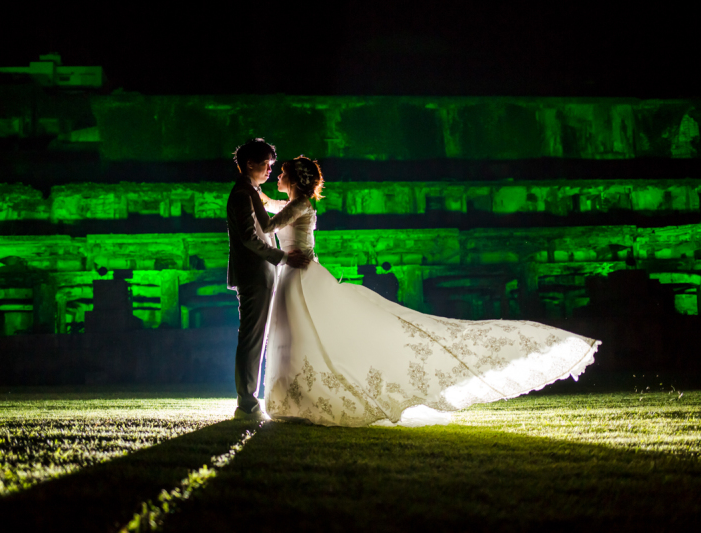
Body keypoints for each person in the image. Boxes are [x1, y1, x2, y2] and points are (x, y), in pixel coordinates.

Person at [249, 156, 601, 427]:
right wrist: (255, 193)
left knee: (302, 336)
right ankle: (289, 401)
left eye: (281, 173)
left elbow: (267, 224)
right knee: (292, 338)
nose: (277, 175)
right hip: (293, 275)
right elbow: (273, 208)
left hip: (298, 275)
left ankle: (300, 401)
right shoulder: (297, 204)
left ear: (294, 179)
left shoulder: (301, 205)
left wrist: (251, 200)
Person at [227, 139, 310, 420]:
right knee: (252, 337)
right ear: (250, 164)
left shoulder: (252, 191)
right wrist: (284, 258)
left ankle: (250, 398)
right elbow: (250, 237)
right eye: (267, 165)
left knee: (257, 336)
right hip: (254, 272)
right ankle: (246, 402)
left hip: (263, 271)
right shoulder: (242, 193)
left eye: (273, 166)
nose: (270, 170)